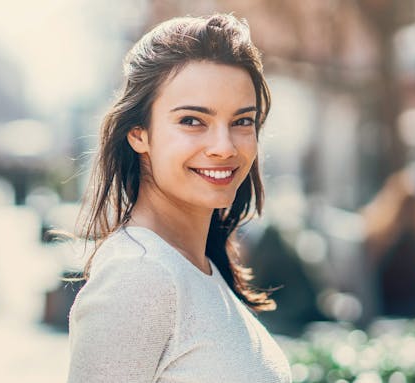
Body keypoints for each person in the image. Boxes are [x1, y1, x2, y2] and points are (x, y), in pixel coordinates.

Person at [67, 14, 292, 382]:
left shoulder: (197, 266)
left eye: (242, 121)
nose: (224, 147)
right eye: (192, 120)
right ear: (139, 134)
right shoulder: (138, 276)